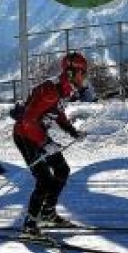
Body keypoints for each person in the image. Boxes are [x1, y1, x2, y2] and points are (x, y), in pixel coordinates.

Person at [12, 51, 96, 236]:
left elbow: (57, 113)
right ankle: (29, 226)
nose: (85, 77)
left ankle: (48, 213)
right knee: (44, 180)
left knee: (62, 170)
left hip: (37, 135)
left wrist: (73, 132)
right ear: (72, 73)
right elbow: (27, 121)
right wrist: (45, 143)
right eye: (83, 72)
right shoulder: (50, 90)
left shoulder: (62, 89)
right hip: (26, 136)